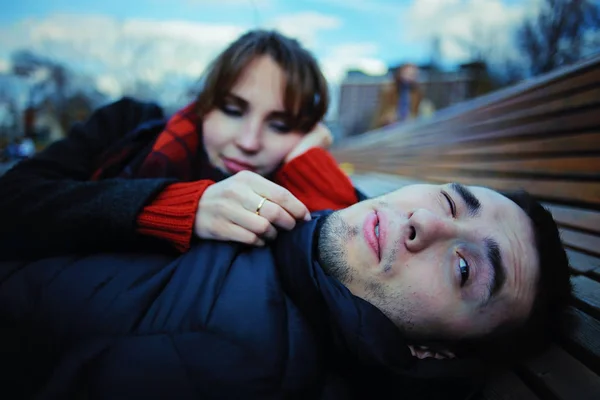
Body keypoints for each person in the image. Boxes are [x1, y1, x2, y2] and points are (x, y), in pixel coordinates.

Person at [0, 182, 572, 399]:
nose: (429, 223)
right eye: (450, 200)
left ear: (435, 353)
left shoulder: (232, 370)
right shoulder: (293, 244)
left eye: (465, 269)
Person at [0, 29, 359, 260]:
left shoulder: (301, 181)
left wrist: (308, 161)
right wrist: (176, 208)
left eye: (280, 125)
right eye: (233, 110)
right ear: (205, 105)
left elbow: (355, 261)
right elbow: (14, 200)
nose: (249, 142)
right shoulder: (126, 125)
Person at [371, 63, 435, 129]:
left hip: (409, 127)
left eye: (413, 75)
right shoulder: (389, 91)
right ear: (400, 73)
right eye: (407, 74)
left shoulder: (417, 93)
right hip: (390, 128)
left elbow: (418, 112)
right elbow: (381, 114)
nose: (410, 77)